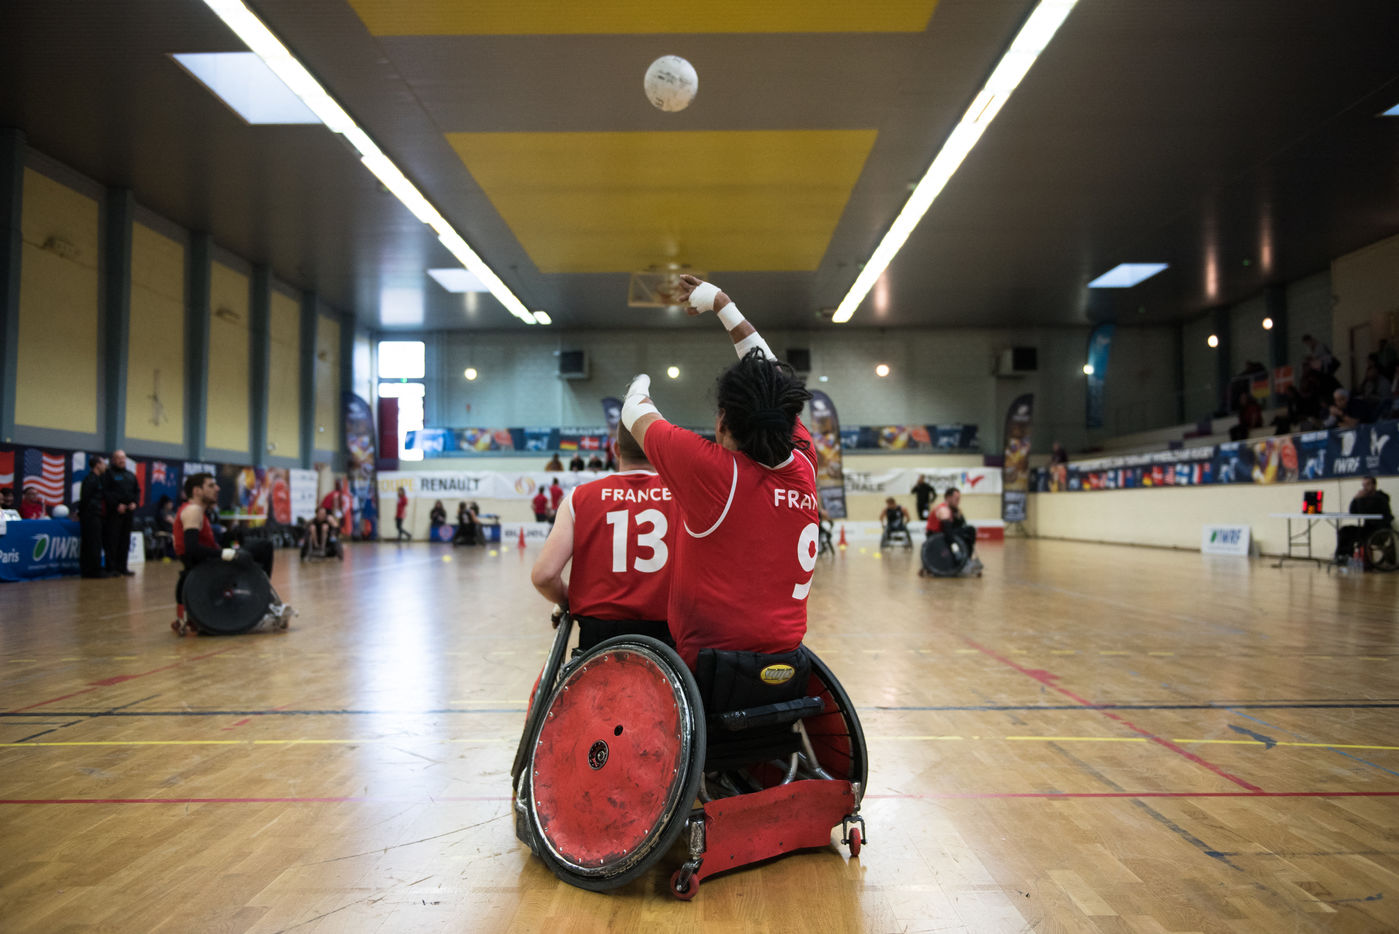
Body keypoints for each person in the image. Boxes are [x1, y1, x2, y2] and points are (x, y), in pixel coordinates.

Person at [621, 274, 817, 669]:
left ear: (723, 422)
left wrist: (639, 382)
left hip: (712, 665)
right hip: (788, 658)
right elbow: (770, 379)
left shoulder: (715, 473)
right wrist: (721, 303)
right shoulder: (804, 459)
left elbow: (633, 411)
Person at [531, 424, 676, 652]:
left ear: (616, 449)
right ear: (658, 449)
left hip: (598, 640)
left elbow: (544, 576)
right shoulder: (683, 496)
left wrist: (570, 599)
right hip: (667, 640)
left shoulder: (578, 498)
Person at [173, 472, 289, 635]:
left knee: (250, 542)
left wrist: (231, 536)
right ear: (197, 491)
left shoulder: (196, 510)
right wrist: (223, 554)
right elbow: (191, 549)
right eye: (211, 486)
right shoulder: (193, 510)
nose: (217, 488)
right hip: (207, 565)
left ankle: (259, 597)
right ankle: (260, 600)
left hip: (207, 561)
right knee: (263, 547)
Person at [923, 487, 982, 576]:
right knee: (969, 531)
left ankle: (966, 559)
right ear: (948, 497)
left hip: (942, 535)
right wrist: (956, 551)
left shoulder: (953, 510)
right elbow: (948, 531)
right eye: (956, 499)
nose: (958, 501)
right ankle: (965, 561)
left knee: (968, 531)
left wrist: (959, 516)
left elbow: (961, 525)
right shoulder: (943, 509)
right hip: (936, 538)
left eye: (959, 499)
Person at [1336, 476, 1393, 565]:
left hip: (1379, 529)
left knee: (1354, 534)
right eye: (1363, 485)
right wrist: (1355, 499)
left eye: (1367, 484)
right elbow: (1353, 512)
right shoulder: (1365, 498)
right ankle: (1342, 557)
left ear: (1374, 485)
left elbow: (1364, 512)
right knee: (1345, 530)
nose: (1365, 488)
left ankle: (1348, 557)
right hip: (1368, 528)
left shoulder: (1380, 498)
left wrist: (1360, 499)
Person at [101, 449, 141, 577]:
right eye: (119, 458)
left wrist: (135, 502)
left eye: (123, 458)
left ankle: (122, 567)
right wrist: (116, 505)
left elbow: (137, 491)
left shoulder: (130, 475)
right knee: (112, 541)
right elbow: (106, 492)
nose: (121, 460)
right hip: (114, 513)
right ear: (113, 460)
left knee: (125, 541)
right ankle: (111, 568)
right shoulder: (108, 474)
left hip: (128, 513)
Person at [78, 456, 108, 578]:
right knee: (92, 543)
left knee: (95, 542)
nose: (105, 466)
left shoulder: (98, 479)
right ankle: (92, 570)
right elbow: (85, 498)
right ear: (97, 465)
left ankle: (93, 568)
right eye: (103, 463)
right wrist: (83, 513)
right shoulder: (90, 480)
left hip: (96, 515)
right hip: (91, 516)